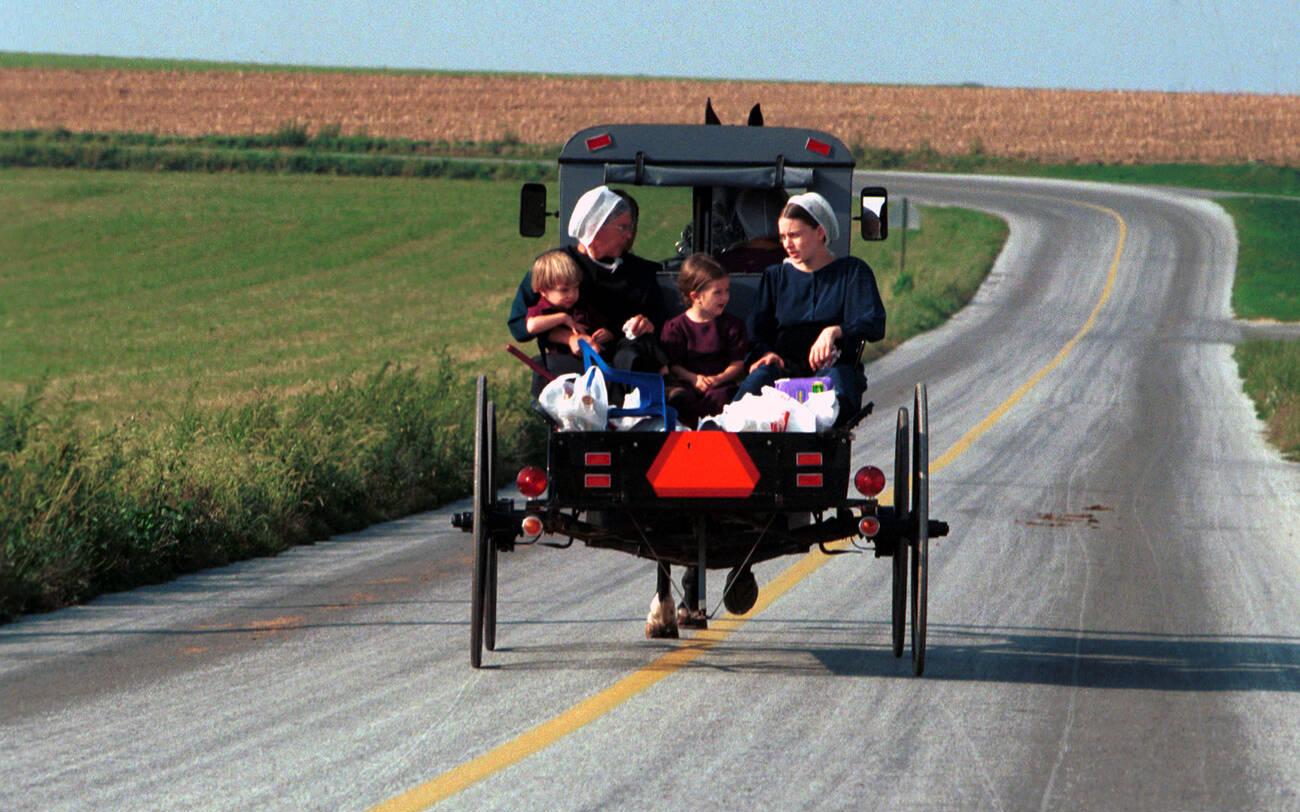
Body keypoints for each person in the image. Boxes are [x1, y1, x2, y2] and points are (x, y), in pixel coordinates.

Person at [733, 191, 886, 424]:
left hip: (833, 370)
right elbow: (756, 332)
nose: (787, 244)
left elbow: (874, 322)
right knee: (750, 391)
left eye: (794, 235)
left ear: (820, 232)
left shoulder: (852, 272)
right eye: (783, 237)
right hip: (783, 372)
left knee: (835, 396)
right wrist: (766, 354)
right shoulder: (775, 277)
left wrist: (835, 331)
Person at [507, 185, 666, 391]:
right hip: (572, 373)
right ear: (595, 226)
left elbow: (665, 324)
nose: (629, 235)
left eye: (631, 227)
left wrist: (647, 325)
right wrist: (570, 338)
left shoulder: (642, 273)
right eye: (623, 227)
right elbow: (519, 325)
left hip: (629, 371)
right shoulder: (555, 267)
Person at [660, 253, 749, 427]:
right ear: (696, 296)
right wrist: (694, 379)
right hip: (689, 383)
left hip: (720, 384)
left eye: (726, 291)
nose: (725, 297)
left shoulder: (732, 325)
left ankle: (711, 430)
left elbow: (737, 363)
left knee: (723, 397)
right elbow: (674, 365)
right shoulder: (675, 327)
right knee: (679, 398)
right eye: (717, 292)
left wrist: (719, 378)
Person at [524, 249, 614, 358]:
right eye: (564, 290)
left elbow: (600, 323)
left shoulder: (580, 305)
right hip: (561, 360)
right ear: (543, 290)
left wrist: (605, 334)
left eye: (576, 288)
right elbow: (532, 326)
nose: (572, 294)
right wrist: (563, 318)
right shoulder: (543, 309)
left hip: (591, 358)